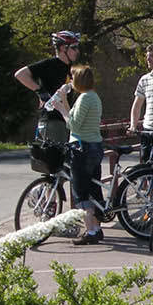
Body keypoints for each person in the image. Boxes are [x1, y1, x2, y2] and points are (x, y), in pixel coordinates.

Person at [51, 65, 105, 245]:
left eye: (73, 78)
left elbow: (73, 125)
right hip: (94, 146)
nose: (70, 81)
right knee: (92, 189)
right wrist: (65, 101)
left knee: (80, 191)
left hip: (82, 148)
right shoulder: (92, 97)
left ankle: (90, 231)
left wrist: (59, 109)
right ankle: (97, 229)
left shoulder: (85, 99)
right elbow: (73, 117)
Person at [15, 30, 81, 144]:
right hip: (52, 121)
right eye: (73, 47)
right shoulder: (50, 64)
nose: (77, 51)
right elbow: (20, 74)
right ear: (63, 48)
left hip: (65, 120)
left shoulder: (71, 68)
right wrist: (40, 91)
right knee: (56, 159)